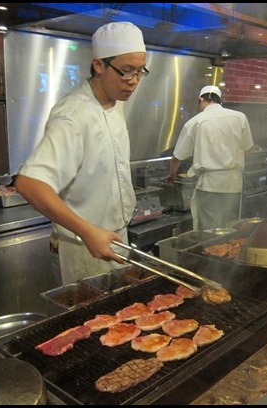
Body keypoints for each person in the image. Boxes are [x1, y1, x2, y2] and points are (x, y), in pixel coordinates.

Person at [15, 22, 148, 285]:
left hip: (116, 240)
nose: (133, 81)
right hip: (80, 249)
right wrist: (87, 231)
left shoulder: (115, 103)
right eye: (126, 71)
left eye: (140, 71)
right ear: (99, 65)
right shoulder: (73, 115)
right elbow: (28, 183)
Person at [166, 85, 254, 230]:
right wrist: (231, 161)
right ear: (220, 100)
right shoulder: (239, 117)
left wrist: (171, 174)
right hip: (233, 184)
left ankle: (210, 252)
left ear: (201, 99)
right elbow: (248, 149)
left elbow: (177, 157)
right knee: (230, 228)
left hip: (209, 186)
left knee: (209, 230)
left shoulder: (195, 122)